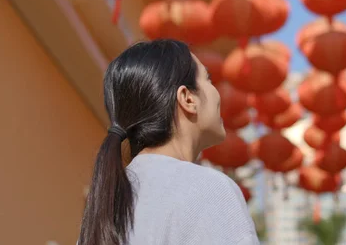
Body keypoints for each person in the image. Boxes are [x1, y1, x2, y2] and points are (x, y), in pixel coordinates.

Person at [78, 40, 259, 245]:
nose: (216, 93)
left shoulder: (104, 206)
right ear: (187, 99)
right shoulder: (207, 189)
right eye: (208, 79)